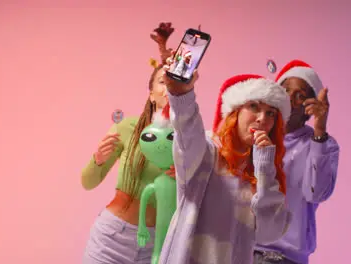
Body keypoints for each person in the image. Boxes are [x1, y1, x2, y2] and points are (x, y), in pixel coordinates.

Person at [157, 65, 293, 264]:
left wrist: (265, 172)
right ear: (235, 111)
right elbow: (187, 130)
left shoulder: (265, 172)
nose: (262, 118)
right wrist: (181, 95)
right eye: (254, 106)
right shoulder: (207, 152)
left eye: (271, 113)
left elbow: (268, 234)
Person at [81, 22, 176, 264]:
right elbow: (88, 182)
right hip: (112, 237)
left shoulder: (189, 140)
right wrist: (98, 160)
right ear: (151, 93)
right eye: (163, 82)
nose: (169, 89)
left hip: (155, 245)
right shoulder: (129, 128)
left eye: (174, 82)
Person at [253, 60, 340, 264]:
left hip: (286, 258)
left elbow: (316, 193)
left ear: (311, 106)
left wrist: (319, 132)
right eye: (284, 91)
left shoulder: (322, 145)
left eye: (300, 95)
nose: (289, 100)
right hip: (243, 251)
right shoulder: (255, 135)